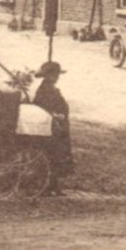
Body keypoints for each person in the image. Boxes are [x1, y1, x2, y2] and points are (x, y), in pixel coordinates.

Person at [32, 61, 72, 194]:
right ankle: (46, 186)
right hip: (50, 126)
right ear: (48, 75)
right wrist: (55, 115)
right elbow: (42, 107)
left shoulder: (51, 88)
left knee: (58, 155)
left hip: (58, 126)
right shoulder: (46, 89)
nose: (57, 77)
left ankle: (54, 185)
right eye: (54, 74)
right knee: (51, 155)